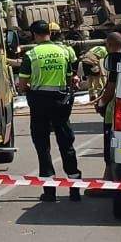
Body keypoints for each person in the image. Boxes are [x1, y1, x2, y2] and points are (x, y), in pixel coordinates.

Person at [18, 19, 82, 200]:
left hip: (39, 104)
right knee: (66, 144)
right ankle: (75, 187)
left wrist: (31, 86)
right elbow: (70, 79)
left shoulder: (31, 55)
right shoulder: (63, 52)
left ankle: (49, 191)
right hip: (61, 103)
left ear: (33, 34)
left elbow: (22, 85)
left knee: (42, 146)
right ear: (50, 33)